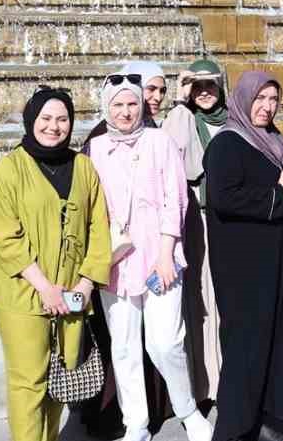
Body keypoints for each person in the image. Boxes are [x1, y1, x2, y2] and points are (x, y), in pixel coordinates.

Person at [0, 87, 111, 441]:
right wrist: (44, 287)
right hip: (22, 292)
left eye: (62, 119)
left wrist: (85, 285)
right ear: (31, 121)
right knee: (28, 383)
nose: (54, 127)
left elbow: (99, 228)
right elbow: (1, 233)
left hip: (71, 294)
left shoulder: (83, 167)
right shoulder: (11, 169)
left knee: (60, 379)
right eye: (46, 119)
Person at [88, 76, 214, 441]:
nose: (126, 112)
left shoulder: (160, 141)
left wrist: (164, 253)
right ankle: (136, 423)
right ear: (106, 109)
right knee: (124, 345)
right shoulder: (95, 150)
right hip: (116, 262)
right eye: (118, 105)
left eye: (131, 104)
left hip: (160, 257)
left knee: (165, 341)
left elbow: (175, 199)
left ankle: (188, 410)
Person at [204, 72, 283, 441]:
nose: (267, 107)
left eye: (273, 99)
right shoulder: (227, 143)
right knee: (246, 347)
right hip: (244, 268)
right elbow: (224, 198)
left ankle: (272, 418)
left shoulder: (272, 140)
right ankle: (233, 430)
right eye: (260, 99)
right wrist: (281, 198)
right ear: (243, 99)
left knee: (276, 339)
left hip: (278, 260)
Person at [164, 59, 228, 404]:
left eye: (210, 85)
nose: (204, 93)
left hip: (233, 221)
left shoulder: (235, 119)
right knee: (204, 301)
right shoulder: (184, 119)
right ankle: (208, 386)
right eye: (197, 86)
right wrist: (179, 99)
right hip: (200, 220)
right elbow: (178, 164)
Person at [86, 63, 168, 139]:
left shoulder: (148, 123)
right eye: (151, 89)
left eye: (162, 90)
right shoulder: (101, 135)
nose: (158, 97)